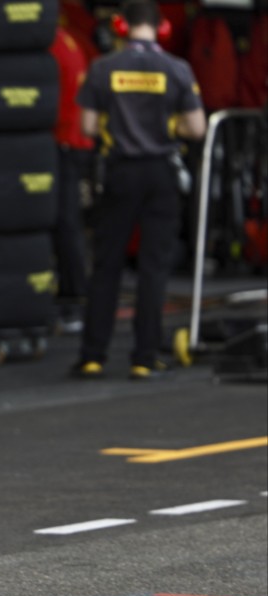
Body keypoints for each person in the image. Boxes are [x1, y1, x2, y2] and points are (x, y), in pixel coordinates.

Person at [72, 0, 206, 380]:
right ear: (161, 26)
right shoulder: (177, 69)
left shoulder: (103, 68)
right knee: (153, 267)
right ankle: (144, 357)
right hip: (161, 173)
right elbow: (197, 129)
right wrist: (170, 129)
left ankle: (92, 355)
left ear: (122, 25)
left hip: (120, 172)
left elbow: (86, 126)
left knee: (106, 264)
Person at [50, 24, 95, 334]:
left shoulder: (49, 46)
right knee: (68, 221)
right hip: (75, 141)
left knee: (64, 221)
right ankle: (72, 295)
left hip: (64, 141)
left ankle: (73, 299)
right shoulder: (68, 38)